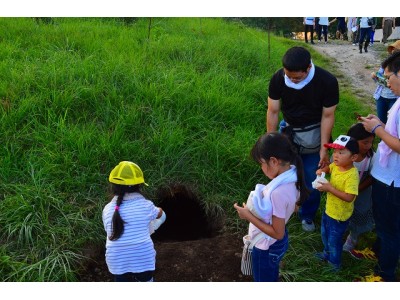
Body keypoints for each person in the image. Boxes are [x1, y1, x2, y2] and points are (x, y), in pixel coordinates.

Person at [267, 46, 339, 232]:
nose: (292, 80)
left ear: (308, 68)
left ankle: (306, 215)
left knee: (311, 177)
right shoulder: (278, 78)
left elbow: (328, 116)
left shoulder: (327, 81)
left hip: (314, 133)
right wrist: (271, 141)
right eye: (288, 75)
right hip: (289, 130)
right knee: (284, 175)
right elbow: (273, 111)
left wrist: (324, 148)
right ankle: (284, 209)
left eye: (297, 77)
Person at [234, 132, 309, 282]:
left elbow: (277, 233)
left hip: (266, 249)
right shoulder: (294, 174)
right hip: (277, 245)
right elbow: (293, 207)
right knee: (271, 272)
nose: (261, 167)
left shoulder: (278, 193)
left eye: (262, 163)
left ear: (273, 161)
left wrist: (247, 215)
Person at [358, 51, 400, 282]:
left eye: (388, 77)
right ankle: (378, 252)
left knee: (389, 229)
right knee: (386, 225)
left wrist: (378, 131)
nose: (387, 83)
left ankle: (385, 276)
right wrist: (380, 124)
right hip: (388, 175)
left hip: (393, 180)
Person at [102, 161, 166, 282]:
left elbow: (110, 231)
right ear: (139, 186)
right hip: (143, 260)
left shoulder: (107, 210)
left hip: (116, 262)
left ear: (113, 186)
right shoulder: (146, 206)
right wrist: (153, 226)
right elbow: (161, 214)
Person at [314, 135, 359, 270]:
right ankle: (326, 253)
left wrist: (330, 188)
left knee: (334, 240)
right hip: (329, 210)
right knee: (325, 234)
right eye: (334, 152)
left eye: (341, 152)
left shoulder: (352, 175)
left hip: (339, 216)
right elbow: (329, 168)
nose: (336, 156)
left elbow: (349, 197)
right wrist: (322, 170)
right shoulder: (336, 165)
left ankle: (334, 264)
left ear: (353, 157)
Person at [342, 123, 375, 252]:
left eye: (371, 142)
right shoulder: (343, 152)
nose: (369, 146)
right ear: (353, 141)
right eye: (365, 142)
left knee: (359, 213)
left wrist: (357, 189)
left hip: (362, 193)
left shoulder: (372, 157)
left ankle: (353, 236)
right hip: (343, 191)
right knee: (343, 211)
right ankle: (341, 230)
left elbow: (372, 177)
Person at [371, 40, 400, 124]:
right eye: (392, 49)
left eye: (396, 50)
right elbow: (380, 76)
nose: (393, 51)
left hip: (394, 98)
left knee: (393, 122)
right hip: (381, 96)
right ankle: (382, 137)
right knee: (382, 120)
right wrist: (375, 77)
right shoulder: (387, 64)